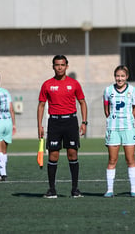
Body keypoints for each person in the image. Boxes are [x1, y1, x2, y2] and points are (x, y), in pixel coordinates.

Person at [37, 55, 88, 199]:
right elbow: (41, 105)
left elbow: (82, 102)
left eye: (62, 65)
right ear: (53, 66)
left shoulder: (74, 84)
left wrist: (84, 122)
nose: (60, 67)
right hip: (54, 122)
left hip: (71, 121)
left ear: (67, 66)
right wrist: (39, 125)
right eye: (57, 65)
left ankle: (75, 189)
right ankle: (52, 190)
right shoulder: (47, 84)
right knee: (53, 155)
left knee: (73, 154)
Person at [103, 65, 135, 198]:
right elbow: (106, 109)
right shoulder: (108, 90)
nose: (120, 79)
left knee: (130, 159)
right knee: (112, 159)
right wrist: (112, 119)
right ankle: (109, 190)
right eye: (118, 76)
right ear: (114, 76)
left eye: (122, 76)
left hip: (128, 128)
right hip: (113, 128)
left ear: (127, 77)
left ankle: (133, 190)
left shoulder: (133, 90)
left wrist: (128, 120)